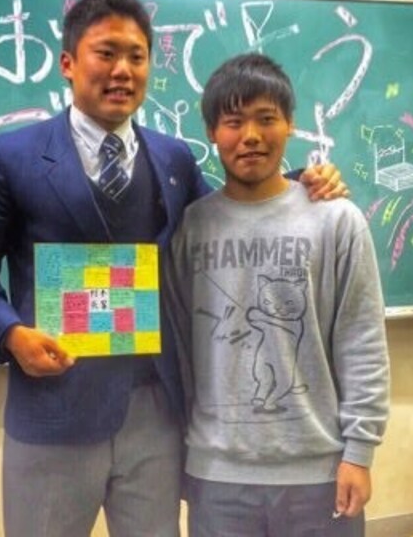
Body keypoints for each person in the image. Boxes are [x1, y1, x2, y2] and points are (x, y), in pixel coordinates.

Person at [0, 0, 348, 537]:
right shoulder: (12, 156)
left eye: (136, 56)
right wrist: (10, 334)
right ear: (68, 63)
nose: (122, 70)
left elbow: (223, 215)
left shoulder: (173, 157)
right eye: (106, 53)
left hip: (155, 414)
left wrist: (299, 184)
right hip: (55, 411)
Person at [166, 53, 390, 537]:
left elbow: (362, 340)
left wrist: (359, 452)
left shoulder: (337, 220)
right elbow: (180, 347)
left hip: (318, 472)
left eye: (266, 119)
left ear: (290, 124)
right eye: (233, 122)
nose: (250, 135)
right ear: (211, 132)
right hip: (216, 474)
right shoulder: (191, 227)